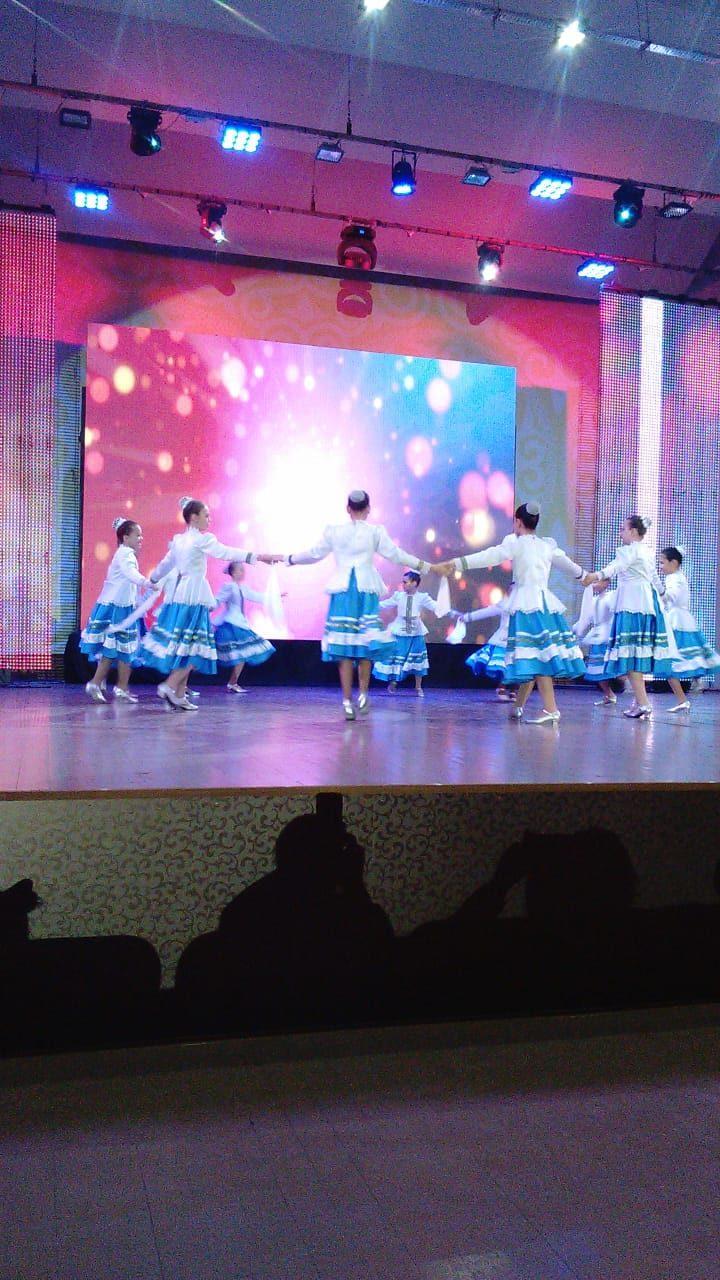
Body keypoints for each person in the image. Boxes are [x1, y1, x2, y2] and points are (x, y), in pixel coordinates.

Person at [284, 489, 430, 719]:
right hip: (365, 590)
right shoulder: (374, 532)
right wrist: (425, 565)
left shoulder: (335, 531)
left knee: (344, 647)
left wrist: (289, 559)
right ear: (368, 509)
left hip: (343, 591)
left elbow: (314, 553)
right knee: (366, 644)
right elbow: (396, 555)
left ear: (348, 509)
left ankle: (346, 702)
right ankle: (362, 694)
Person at [438, 501, 586, 724]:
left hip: (527, 605)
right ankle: (518, 706)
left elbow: (489, 556)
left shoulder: (516, 543)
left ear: (518, 522)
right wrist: (586, 576)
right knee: (532, 655)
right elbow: (568, 565)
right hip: (544, 604)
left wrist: (457, 563)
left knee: (537, 656)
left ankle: (551, 709)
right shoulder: (546, 546)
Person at [139, 497, 279, 709]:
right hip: (194, 596)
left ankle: (179, 694)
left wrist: (153, 579)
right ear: (193, 517)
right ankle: (169, 685)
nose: (209, 519)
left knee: (187, 646)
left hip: (181, 595)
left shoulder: (179, 541)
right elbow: (226, 552)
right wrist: (259, 556)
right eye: (206, 515)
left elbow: (165, 565)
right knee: (195, 647)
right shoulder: (200, 539)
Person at [585, 516, 675, 720]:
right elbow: (653, 577)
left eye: (623, 529)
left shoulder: (630, 551)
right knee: (637, 655)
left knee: (632, 655)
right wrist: (662, 593)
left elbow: (616, 567)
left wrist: (594, 576)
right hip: (645, 604)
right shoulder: (646, 551)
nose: (620, 533)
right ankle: (640, 701)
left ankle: (643, 703)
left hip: (632, 604)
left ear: (634, 531)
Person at [80, 517, 151, 703]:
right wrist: (146, 582)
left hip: (123, 608)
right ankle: (96, 683)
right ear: (125, 537)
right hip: (116, 609)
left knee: (124, 650)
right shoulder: (125, 554)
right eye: (137, 535)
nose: (141, 538)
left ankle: (120, 688)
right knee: (113, 650)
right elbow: (130, 573)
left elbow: (129, 584)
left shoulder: (125, 553)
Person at [659, 545, 720, 713]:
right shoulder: (677, 577)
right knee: (675, 661)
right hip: (681, 620)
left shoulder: (674, 578)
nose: (661, 566)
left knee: (669, 662)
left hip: (676, 621)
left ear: (674, 562)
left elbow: (671, 597)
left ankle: (683, 698)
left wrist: (658, 590)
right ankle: (686, 693)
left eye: (662, 562)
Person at [372, 570, 446, 695]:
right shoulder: (398, 596)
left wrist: (445, 606)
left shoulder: (422, 597)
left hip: (416, 633)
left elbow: (436, 607)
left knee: (418, 659)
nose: (403, 584)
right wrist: (370, 605)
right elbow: (385, 604)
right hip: (399, 631)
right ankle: (394, 682)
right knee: (396, 657)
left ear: (414, 583)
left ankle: (418, 687)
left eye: (406, 582)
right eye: (403, 582)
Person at [213, 561, 282, 693]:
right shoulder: (229, 587)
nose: (242, 572)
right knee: (219, 653)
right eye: (240, 570)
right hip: (231, 625)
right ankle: (183, 682)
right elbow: (218, 600)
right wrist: (207, 609)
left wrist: (275, 596)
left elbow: (256, 596)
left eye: (243, 570)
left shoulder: (242, 588)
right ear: (233, 572)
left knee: (242, 654)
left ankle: (233, 683)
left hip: (239, 624)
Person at [573, 582, 626, 706]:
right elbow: (587, 619)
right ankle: (609, 694)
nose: (594, 585)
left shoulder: (611, 596)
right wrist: (574, 629)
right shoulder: (593, 600)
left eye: (597, 582)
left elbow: (615, 613)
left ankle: (635, 695)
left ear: (606, 583)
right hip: (597, 636)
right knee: (596, 669)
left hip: (608, 636)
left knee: (615, 667)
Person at [455, 596, 516, 701]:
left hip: (521, 640)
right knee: (505, 664)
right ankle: (502, 687)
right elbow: (487, 612)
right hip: (504, 640)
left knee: (520, 665)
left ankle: (514, 690)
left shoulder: (529, 604)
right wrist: (467, 617)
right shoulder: (505, 603)